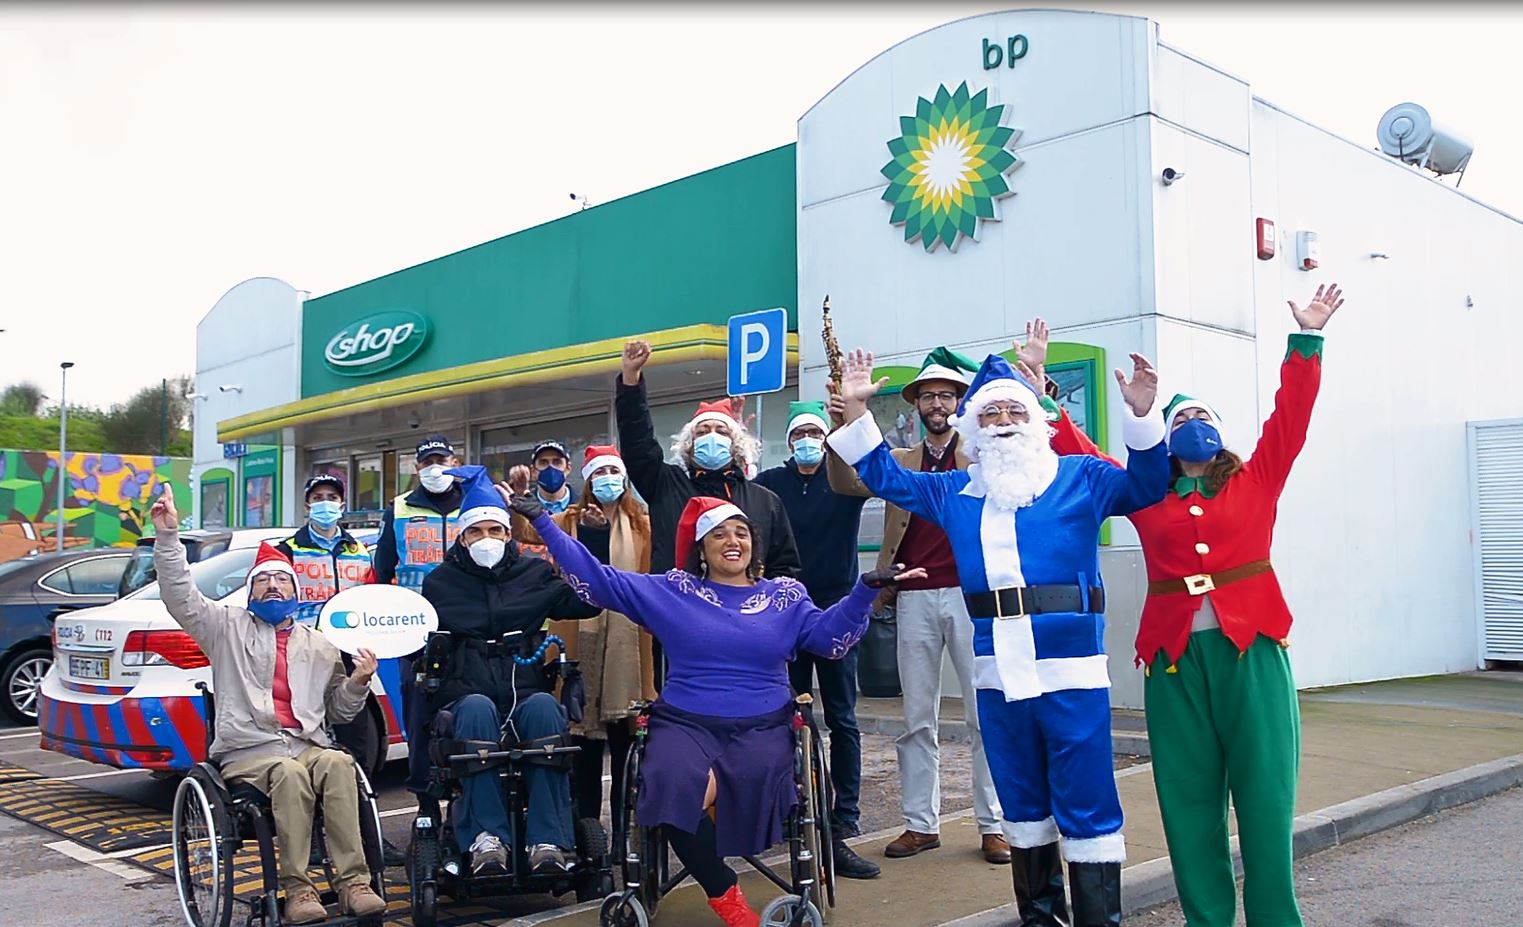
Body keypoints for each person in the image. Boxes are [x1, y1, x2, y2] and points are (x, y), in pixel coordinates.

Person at [827, 346, 1170, 927]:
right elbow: (882, 474)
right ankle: (1039, 918)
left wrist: (1141, 418)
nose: (1003, 423)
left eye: (1014, 412)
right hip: (998, 671)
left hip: (1072, 671)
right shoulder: (954, 492)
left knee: (1086, 801)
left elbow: (1148, 485)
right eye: (989, 415)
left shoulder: (1080, 477)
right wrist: (857, 413)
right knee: (1022, 801)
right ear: (973, 429)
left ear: (1036, 420)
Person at [1043, 286, 1345, 927]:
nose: (1192, 427)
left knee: (1265, 796)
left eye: (1200, 417)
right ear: (1164, 436)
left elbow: (1292, 416)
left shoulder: (1256, 478)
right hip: (1173, 659)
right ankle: (1206, 919)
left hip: (1253, 650)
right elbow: (1080, 452)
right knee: (1188, 801)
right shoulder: (1145, 493)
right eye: (1179, 421)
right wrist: (1043, 396)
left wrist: (1307, 340)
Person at [518, 491, 923, 927]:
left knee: (754, 775)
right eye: (719, 534)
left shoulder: (785, 596)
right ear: (702, 548)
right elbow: (599, 580)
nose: (733, 541)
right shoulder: (674, 590)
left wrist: (864, 593)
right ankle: (727, 897)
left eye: (742, 532)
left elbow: (827, 640)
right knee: (670, 784)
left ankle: (726, 874)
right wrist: (544, 523)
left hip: (763, 726)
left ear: (754, 545)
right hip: (685, 723)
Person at [147, 486, 387, 924]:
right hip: (249, 751)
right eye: (263, 580)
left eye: (281, 580)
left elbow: (338, 714)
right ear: (250, 590)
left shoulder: (319, 644)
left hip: (306, 743)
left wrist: (357, 682)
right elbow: (180, 595)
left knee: (338, 764)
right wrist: (168, 538)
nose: (272, 586)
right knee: (290, 773)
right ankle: (298, 890)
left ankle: (354, 882)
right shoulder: (225, 627)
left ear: (295, 590)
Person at [824, 346, 1010, 863]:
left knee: (984, 713)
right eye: (928, 396)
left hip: (975, 597)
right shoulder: (899, 460)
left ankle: (994, 824)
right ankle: (920, 823)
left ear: (960, 402)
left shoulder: (979, 456)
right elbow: (844, 483)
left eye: (946, 395)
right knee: (916, 716)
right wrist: (842, 430)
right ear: (915, 407)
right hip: (913, 594)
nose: (937, 403)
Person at [419, 466, 602, 875]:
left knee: (543, 710)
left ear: (508, 534)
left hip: (525, 680)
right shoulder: (440, 582)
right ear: (462, 538)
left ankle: (548, 839)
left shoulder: (534, 573)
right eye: (476, 532)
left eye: (495, 531)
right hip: (469, 688)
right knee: (477, 711)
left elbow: (587, 601)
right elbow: (421, 639)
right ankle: (488, 839)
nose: (487, 540)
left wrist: (594, 539)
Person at [753, 401, 879, 881]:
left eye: (814, 432)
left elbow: (872, 469)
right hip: (785, 609)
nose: (806, 439)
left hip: (837, 608)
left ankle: (844, 813)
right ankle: (795, 806)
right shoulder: (770, 484)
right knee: (788, 713)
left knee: (843, 716)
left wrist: (850, 420)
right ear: (788, 440)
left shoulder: (843, 478)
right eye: (798, 432)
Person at [276, 474, 406, 867]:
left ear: (343, 505)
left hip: (351, 662)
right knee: (307, 753)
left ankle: (370, 840)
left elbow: (372, 600)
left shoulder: (359, 551)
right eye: (318, 497)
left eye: (332, 497)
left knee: (360, 753)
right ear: (306, 505)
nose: (325, 504)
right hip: (302, 661)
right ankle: (314, 839)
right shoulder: (286, 549)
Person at [539, 445, 657, 835]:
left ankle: (626, 833)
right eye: (599, 473)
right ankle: (584, 831)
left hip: (628, 641)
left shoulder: (641, 523)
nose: (607, 480)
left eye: (613, 471)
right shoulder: (569, 519)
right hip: (580, 640)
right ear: (588, 481)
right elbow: (527, 529)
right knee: (582, 745)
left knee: (628, 743)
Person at [615, 339, 800, 578]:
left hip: (741, 610)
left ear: (736, 445)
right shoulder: (664, 484)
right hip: (677, 606)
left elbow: (784, 567)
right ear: (689, 446)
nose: (711, 437)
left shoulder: (765, 501)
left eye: (721, 431)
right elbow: (637, 442)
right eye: (702, 432)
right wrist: (631, 380)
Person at [372, 434, 465, 795]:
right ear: (417, 467)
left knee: (468, 701)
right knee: (417, 703)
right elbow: (382, 570)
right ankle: (424, 790)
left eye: (441, 460)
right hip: (415, 627)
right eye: (427, 463)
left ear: (454, 462)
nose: (435, 468)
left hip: (464, 619)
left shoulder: (472, 502)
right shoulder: (399, 508)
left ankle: (463, 782)